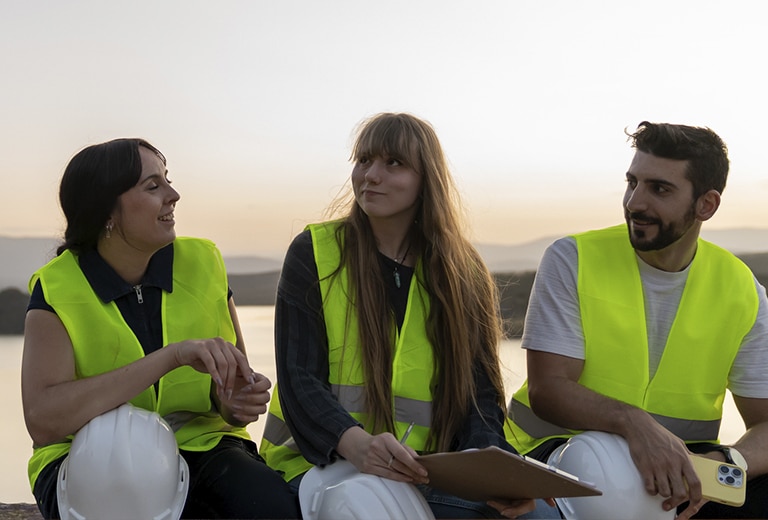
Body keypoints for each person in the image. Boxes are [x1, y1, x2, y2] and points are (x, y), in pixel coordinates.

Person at [260, 112, 558, 519]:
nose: (371, 175)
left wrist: (498, 474)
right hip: (320, 463)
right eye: (363, 160)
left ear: (426, 179)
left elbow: (480, 398)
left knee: (539, 515)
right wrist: (355, 443)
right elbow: (299, 379)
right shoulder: (314, 251)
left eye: (393, 163)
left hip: (424, 472)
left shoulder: (461, 270)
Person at [21, 138, 300, 519]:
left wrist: (234, 404)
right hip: (89, 461)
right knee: (133, 480)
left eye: (167, 180)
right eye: (153, 186)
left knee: (274, 508)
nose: (174, 195)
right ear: (107, 210)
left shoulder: (204, 262)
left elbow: (233, 397)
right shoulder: (57, 286)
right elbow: (44, 418)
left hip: (204, 446)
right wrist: (171, 357)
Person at [505, 121, 768, 519]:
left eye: (659, 189)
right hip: (553, 462)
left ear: (706, 205)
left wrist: (726, 463)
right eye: (632, 183)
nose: (634, 202)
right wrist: (634, 423)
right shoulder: (573, 258)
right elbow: (548, 388)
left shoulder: (741, 289)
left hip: (678, 477)